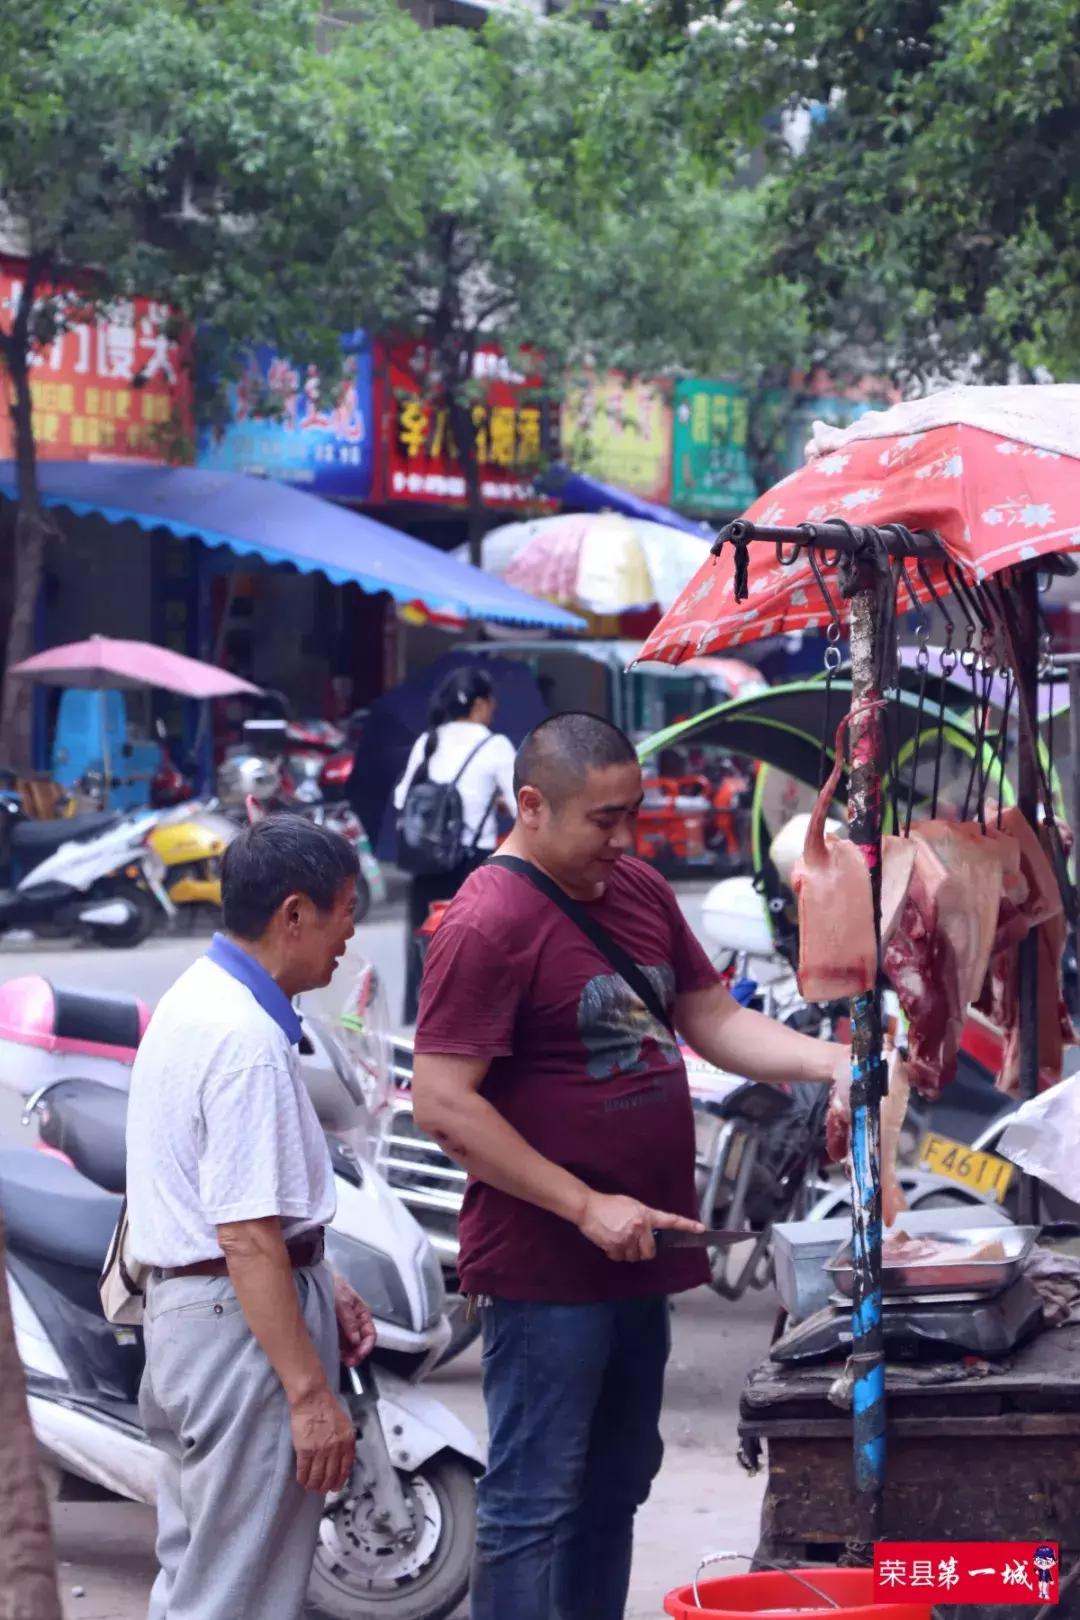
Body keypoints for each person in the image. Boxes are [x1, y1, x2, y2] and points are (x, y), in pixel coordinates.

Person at [411, 712, 849, 1620]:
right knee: (533, 1500)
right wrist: (583, 1205)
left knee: (616, 1484)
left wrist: (834, 1061)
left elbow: (710, 1019)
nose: (623, 839)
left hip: (643, 1252)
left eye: (632, 814)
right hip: (547, 1269)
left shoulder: (639, 888)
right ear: (532, 807)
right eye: (602, 820)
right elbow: (444, 1103)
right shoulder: (488, 922)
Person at [126, 816, 377, 1620]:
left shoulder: (201, 998)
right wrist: (309, 1396)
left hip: (195, 1321)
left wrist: (322, 1280)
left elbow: (233, 1206)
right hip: (235, 1335)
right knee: (234, 1598)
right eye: (345, 912)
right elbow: (243, 1235)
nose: (349, 935)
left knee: (200, 1583)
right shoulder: (242, 1040)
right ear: (294, 915)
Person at [395, 666, 516, 1023]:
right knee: (473, 951)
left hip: (426, 864)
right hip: (471, 865)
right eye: (491, 703)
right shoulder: (494, 745)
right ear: (479, 704)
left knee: (425, 950)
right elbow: (519, 805)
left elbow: (402, 799)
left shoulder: (428, 741)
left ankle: (419, 1024)